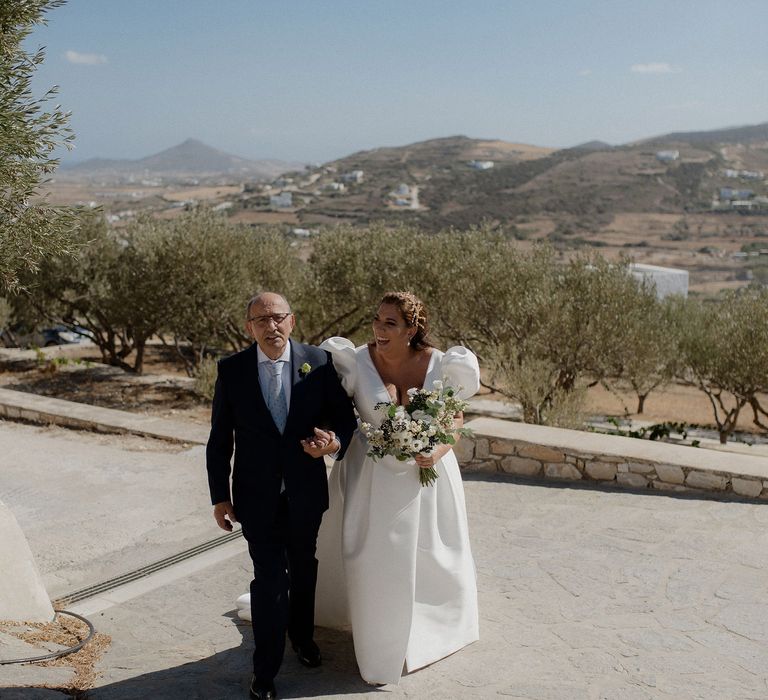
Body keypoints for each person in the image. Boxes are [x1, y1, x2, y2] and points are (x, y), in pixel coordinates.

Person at [314, 291, 481, 686]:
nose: (378, 328)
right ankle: (376, 625)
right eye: (377, 319)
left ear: (412, 329)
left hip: (429, 476)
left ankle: (431, 622)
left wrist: (437, 451)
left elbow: (455, 417)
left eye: (390, 323)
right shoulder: (353, 360)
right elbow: (331, 411)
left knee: (430, 552)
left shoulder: (443, 364)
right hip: (368, 475)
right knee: (370, 555)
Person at [206, 291, 357, 700]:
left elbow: (345, 420)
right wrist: (220, 496)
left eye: (277, 318)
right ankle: (264, 672)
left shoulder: (320, 363)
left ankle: (303, 639)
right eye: (261, 320)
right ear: (248, 327)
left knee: (304, 568)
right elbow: (220, 440)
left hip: (305, 494)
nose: (270, 327)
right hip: (255, 499)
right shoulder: (232, 369)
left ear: (292, 321)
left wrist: (332, 444)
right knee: (270, 580)